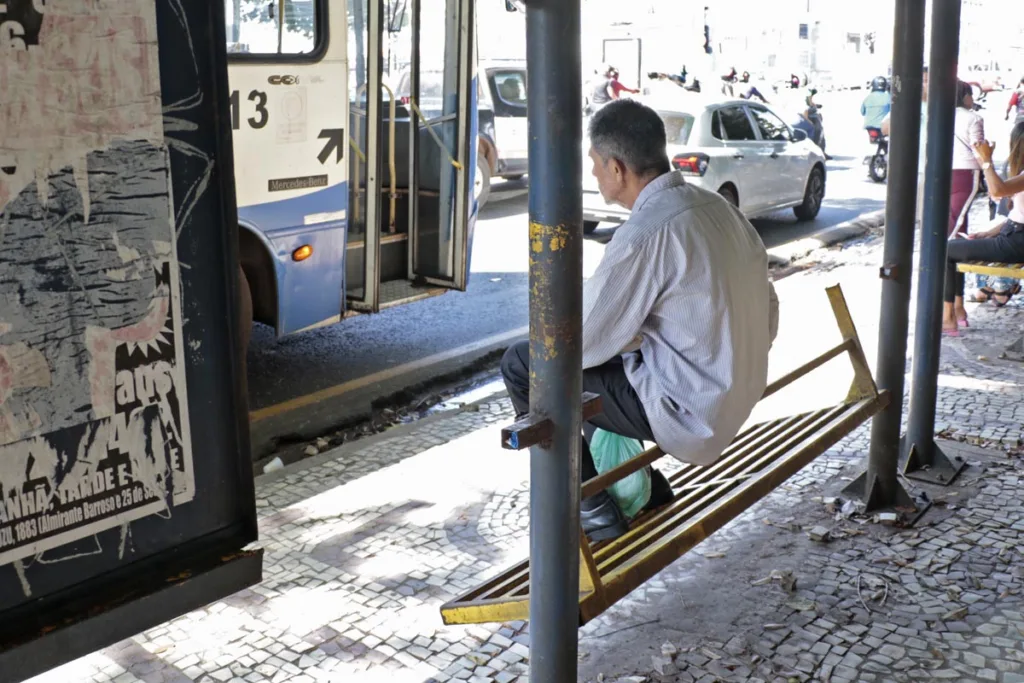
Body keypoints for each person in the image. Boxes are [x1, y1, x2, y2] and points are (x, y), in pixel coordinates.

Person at [501, 100, 779, 542]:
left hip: (694, 418)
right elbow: (769, 314)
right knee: (596, 372)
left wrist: (629, 338)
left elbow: (579, 341)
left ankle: (591, 513)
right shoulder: (718, 208)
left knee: (524, 363)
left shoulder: (645, 233)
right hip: (740, 392)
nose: (592, 173)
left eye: (594, 163)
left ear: (616, 168)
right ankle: (646, 490)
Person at [942, 121, 1024, 335]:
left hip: (1015, 243)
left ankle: (949, 316)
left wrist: (986, 161)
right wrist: (988, 233)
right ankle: (957, 310)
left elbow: (998, 191)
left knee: (946, 251)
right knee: (954, 247)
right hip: (1013, 236)